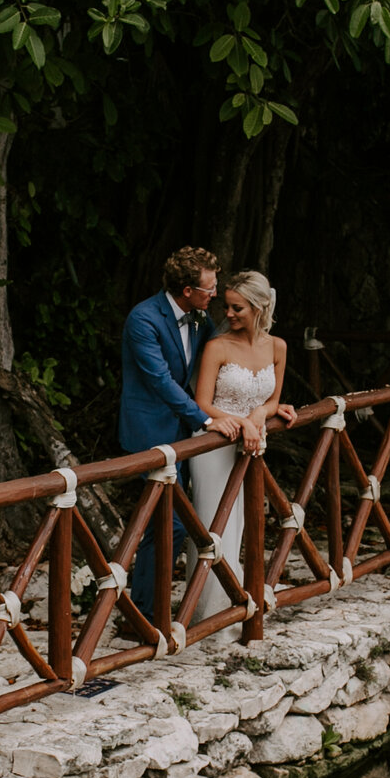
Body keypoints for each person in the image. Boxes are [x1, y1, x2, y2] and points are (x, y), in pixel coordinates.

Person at [118, 247, 239, 628]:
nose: (214, 295)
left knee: (162, 524)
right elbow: (161, 382)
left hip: (183, 434)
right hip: (150, 433)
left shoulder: (199, 320)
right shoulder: (144, 319)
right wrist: (204, 420)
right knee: (170, 523)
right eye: (209, 289)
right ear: (187, 290)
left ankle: (141, 612)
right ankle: (145, 615)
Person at [187, 271, 299, 622]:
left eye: (237, 308)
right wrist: (244, 422)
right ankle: (207, 615)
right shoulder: (217, 346)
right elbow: (202, 403)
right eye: (227, 306)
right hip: (213, 444)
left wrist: (260, 415)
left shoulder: (277, 347)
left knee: (242, 526)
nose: (229, 314)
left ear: (259, 308)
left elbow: (272, 400)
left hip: (250, 445)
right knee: (213, 527)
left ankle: (238, 606)